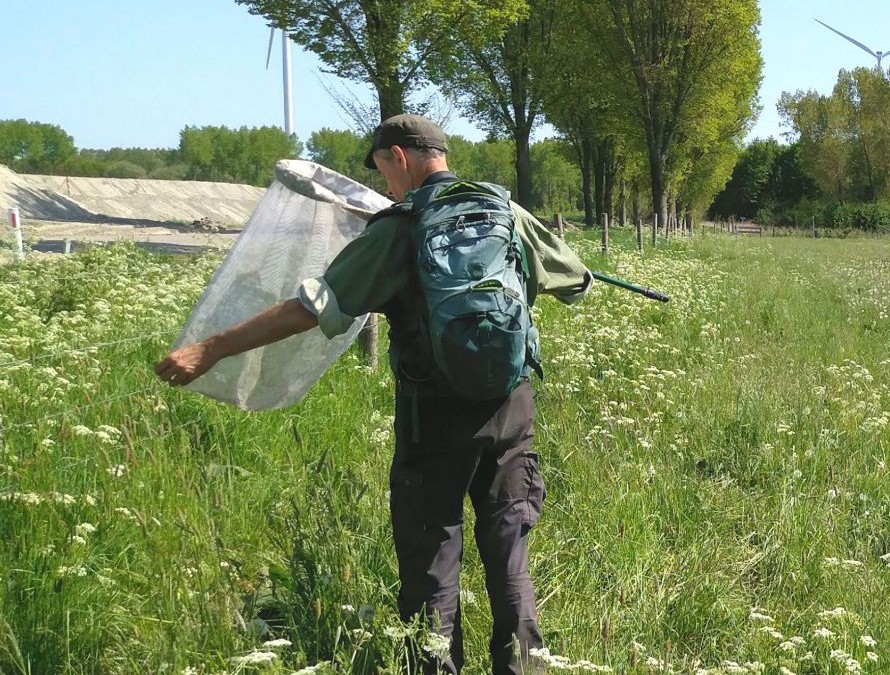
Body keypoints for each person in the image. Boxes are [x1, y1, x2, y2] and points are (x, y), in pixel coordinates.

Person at [155, 114, 593, 674]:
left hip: (433, 418)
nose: (384, 181)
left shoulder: (400, 227)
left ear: (400, 157)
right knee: (509, 553)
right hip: (510, 408)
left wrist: (212, 347)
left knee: (433, 561)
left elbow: (308, 310)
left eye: (382, 167)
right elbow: (575, 281)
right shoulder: (502, 210)